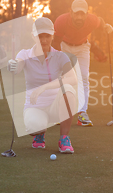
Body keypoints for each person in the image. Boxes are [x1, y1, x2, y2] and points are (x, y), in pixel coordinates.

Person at [7, 17, 78, 153]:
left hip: (56, 107)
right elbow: (18, 65)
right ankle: (39, 134)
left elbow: (73, 79)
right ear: (33, 36)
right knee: (35, 127)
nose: (44, 40)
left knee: (68, 90)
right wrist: (13, 65)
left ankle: (64, 139)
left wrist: (44, 87)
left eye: (47, 36)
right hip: (35, 107)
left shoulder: (60, 56)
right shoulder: (25, 54)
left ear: (52, 36)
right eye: (40, 36)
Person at [53, 0, 113, 126]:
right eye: (76, 13)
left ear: (87, 14)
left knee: (84, 77)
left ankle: (82, 113)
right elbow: (56, 42)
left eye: (82, 14)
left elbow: (100, 22)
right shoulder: (61, 21)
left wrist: (106, 26)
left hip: (82, 48)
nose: (79, 17)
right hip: (64, 46)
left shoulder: (92, 20)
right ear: (71, 12)